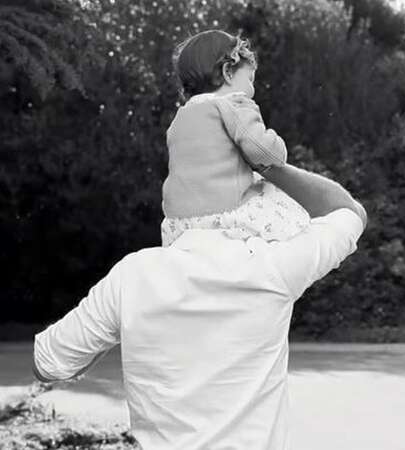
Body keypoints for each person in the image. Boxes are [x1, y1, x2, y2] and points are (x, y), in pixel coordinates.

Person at [33, 164, 367, 450]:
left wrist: (119, 329)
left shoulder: (134, 275)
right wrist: (269, 164)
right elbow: (350, 213)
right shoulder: (272, 267)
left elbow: (48, 364)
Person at [161, 29, 310, 246]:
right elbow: (262, 150)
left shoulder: (180, 119)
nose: (252, 90)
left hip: (177, 225)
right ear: (228, 72)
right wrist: (278, 146)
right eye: (250, 79)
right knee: (278, 196)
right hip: (222, 216)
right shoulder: (231, 103)